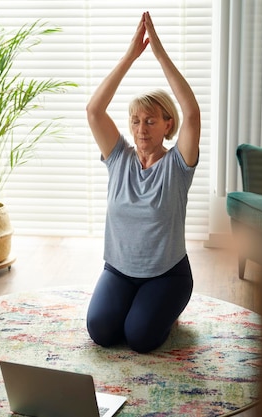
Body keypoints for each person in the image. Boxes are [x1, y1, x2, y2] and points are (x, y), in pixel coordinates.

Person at [85, 11, 201, 353]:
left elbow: (192, 112)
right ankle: (138, 303)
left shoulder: (178, 165)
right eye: (135, 121)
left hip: (168, 274)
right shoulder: (118, 156)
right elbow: (94, 110)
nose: (140, 129)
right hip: (119, 270)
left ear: (168, 124)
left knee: (140, 339)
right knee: (102, 331)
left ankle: (164, 311)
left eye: (150, 121)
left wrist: (158, 52)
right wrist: (129, 56)